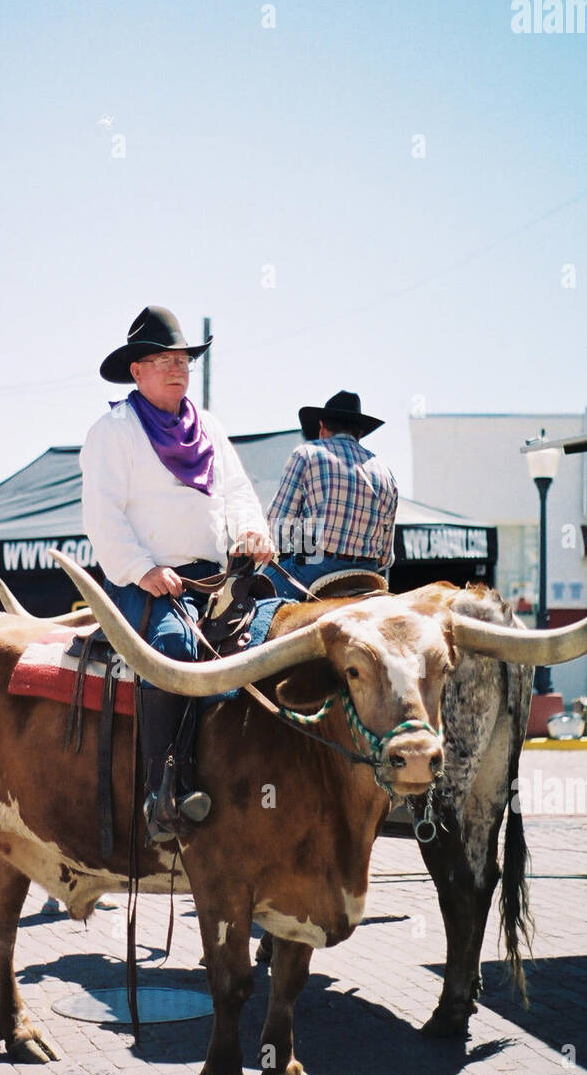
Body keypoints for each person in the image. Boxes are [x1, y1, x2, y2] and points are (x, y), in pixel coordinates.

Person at [80, 305, 273, 843]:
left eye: (182, 358)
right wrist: (143, 569)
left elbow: (236, 493)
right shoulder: (113, 431)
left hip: (215, 578)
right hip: (148, 582)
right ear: (136, 371)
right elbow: (103, 514)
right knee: (173, 651)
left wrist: (252, 532)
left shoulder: (209, 425)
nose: (176, 367)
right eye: (162, 359)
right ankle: (163, 789)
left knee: (280, 634)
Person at [266, 390, 398, 595]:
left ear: (321, 427)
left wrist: (299, 545)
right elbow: (385, 557)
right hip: (367, 574)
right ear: (360, 433)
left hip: (313, 569)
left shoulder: (307, 454)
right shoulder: (385, 471)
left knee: (249, 593)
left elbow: (276, 524)